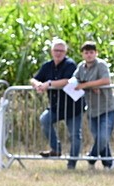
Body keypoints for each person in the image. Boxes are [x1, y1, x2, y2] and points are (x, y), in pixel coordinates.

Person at [30, 38, 84, 169]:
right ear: (51, 51)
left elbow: (67, 81)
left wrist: (48, 84)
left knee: (75, 135)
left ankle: (72, 163)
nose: (58, 53)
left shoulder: (70, 64)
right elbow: (34, 78)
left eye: (61, 50)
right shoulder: (47, 65)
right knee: (44, 119)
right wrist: (37, 84)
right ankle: (56, 148)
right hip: (56, 106)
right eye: (56, 50)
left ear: (65, 52)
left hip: (73, 106)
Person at [74, 41, 114, 169]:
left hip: (107, 108)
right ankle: (108, 164)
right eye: (86, 52)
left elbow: (106, 80)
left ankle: (91, 158)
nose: (89, 55)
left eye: (91, 52)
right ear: (82, 54)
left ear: (96, 53)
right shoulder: (81, 67)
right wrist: (91, 86)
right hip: (92, 109)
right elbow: (75, 81)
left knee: (103, 137)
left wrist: (86, 85)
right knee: (100, 139)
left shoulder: (101, 65)